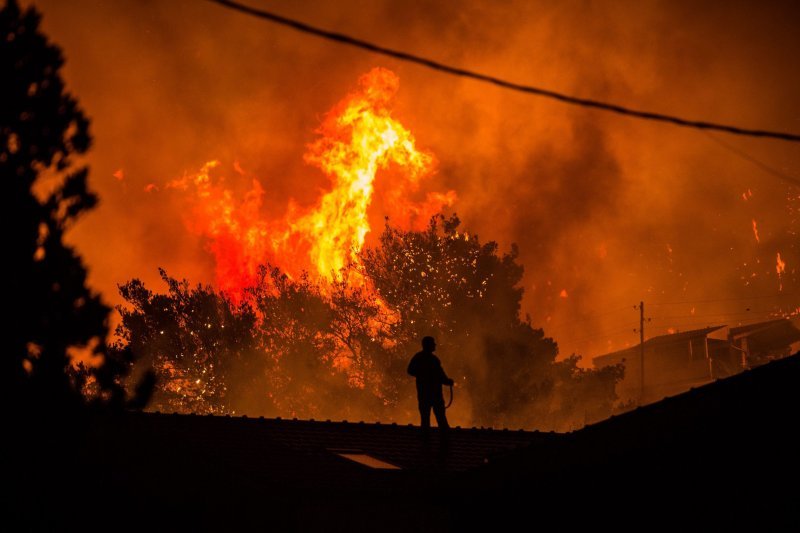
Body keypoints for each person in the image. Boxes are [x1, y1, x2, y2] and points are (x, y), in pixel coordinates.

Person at [407, 336, 454, 431]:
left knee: (426, 420)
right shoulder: (433, 360)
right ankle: (445, 441)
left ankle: (426, 441)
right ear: (428, 345)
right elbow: (441, 376)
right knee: (440, 419)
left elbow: (410, 370)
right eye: (433, 343)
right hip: (434, 394)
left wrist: (446, 381)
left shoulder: (420, 358)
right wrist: (447, 381)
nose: (435, 345)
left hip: (424, 394)